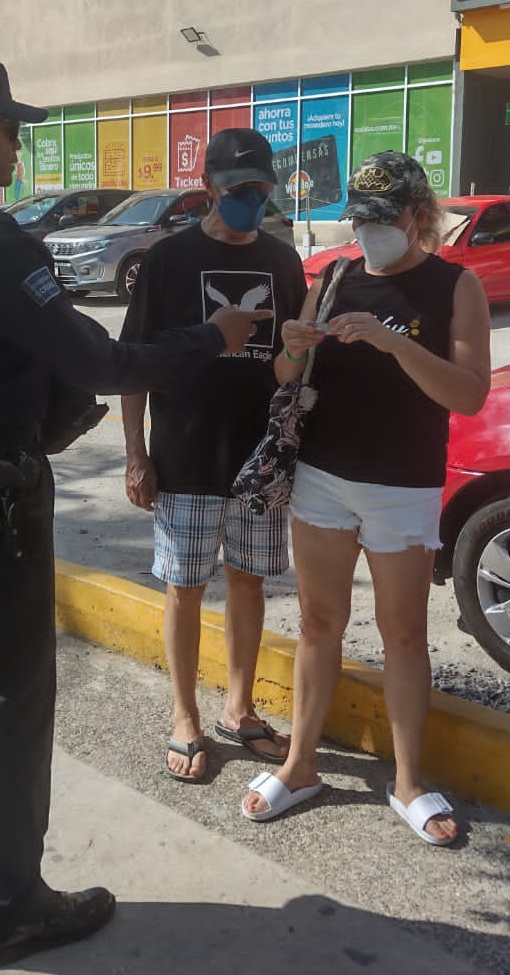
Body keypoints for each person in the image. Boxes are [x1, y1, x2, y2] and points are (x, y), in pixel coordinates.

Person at [0, 59, 271, 963]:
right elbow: (100, 365)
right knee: (9, 691)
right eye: (7, 126)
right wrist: (211, 338)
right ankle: (14, 903)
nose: (19, 142)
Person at [238, 152, 491, 846]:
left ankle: (408, 780)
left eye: (384, 220)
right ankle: (301, 764)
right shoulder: (338, 274)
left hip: (402, 484)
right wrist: (289, 344)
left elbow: (469, 393)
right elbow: (287, 371)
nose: (371, 231)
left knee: (403, 634)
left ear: (418, 217)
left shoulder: (454, 286)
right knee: (319, 623)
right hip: (323, 475)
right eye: (362, 219)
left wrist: (392, 344)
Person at [119, 128, 307, 784]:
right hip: (186, 455)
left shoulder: (283, 262)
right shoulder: (168, 260)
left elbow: (293, 357)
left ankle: (240, 707)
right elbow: (133, 365)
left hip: (258, 462)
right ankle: (185, 716)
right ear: (209, 191)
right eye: (239, 191)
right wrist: (136, 454)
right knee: (185, 590)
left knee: (251, 582)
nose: (252, 201)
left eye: (261, 190)